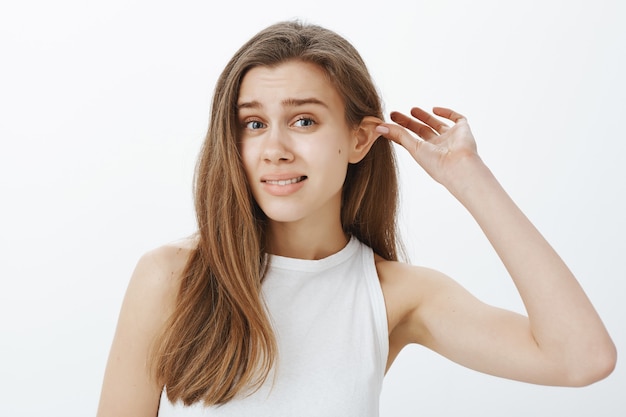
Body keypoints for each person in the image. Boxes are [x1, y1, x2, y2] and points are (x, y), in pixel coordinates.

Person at [96, 20, 616, 417]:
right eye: (253, 123)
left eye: (303, 120)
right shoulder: (173, 276)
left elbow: (582, 358)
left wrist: (467, 177)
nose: (273, 149)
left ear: (360, 138)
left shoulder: (394, 294)